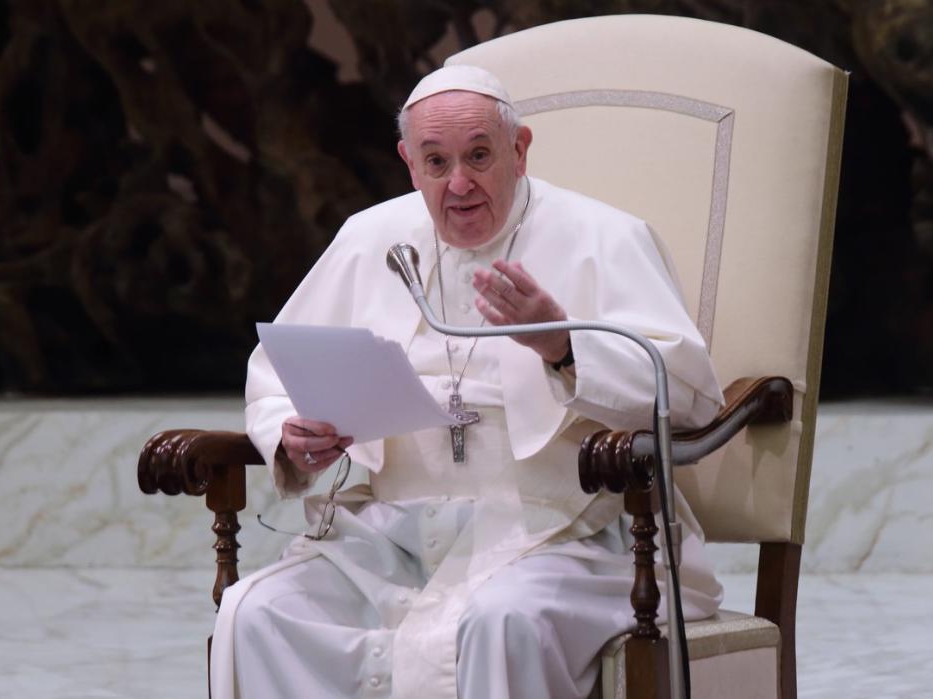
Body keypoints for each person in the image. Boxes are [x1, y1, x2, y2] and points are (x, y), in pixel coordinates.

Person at [211, 65, 726, 699]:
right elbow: (276, 377)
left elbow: (690, 394)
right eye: (436, 162)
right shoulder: (368, 239)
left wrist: (563, 346)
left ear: (520, 149)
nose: (459, 184)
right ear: (408, 162)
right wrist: (291, 437)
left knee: (502, 620)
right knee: (257, 613)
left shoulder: (604, 237)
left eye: (479, 156)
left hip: (563, 530)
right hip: (388, 534)